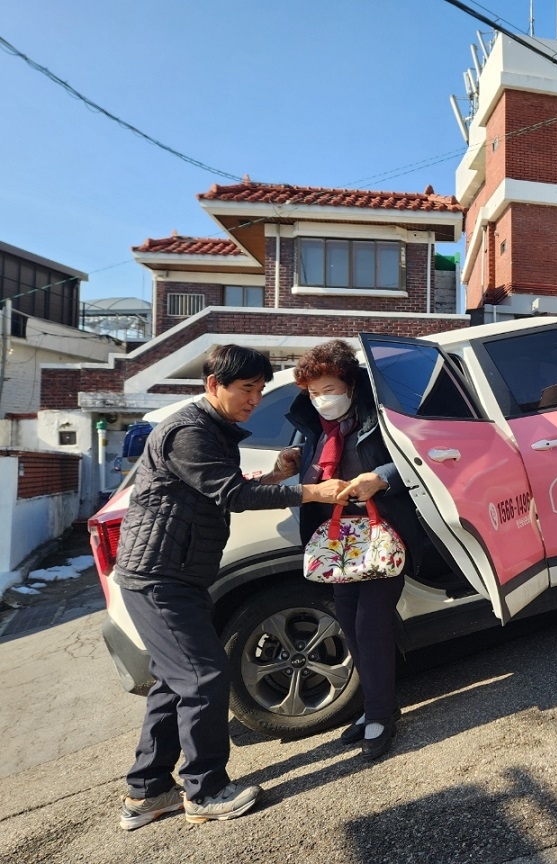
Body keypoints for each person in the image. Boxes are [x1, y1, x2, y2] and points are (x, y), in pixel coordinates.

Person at [114, 345, 350, 830]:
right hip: (160, 577)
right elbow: (232, 494)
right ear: (213, 385)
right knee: (204, 677)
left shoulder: (212, 431)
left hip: (176, 575)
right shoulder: (189, 431)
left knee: (173, 685)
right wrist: (310, 490)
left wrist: (276, 476)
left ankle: (148, 792)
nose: (255, 398)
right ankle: (205, 790)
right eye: (247, 389)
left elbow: (221, 488)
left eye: (261, 389)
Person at [287, 339, 425, 761]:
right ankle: (374, 707)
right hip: (336, 538)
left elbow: (420, 452)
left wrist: (380, 478)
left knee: (370, 624)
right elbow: (309, 467)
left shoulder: (380, 414)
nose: (321, 399)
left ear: (349, 383)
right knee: (348, 621)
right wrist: (293, 459)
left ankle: (381, 714)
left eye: (329, 389)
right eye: (313, 392)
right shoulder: (312, 426)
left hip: (382, 531)